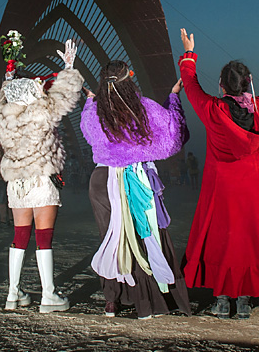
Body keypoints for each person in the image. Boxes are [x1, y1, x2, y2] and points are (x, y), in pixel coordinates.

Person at [179, 28, 259, 319]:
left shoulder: (212, 109)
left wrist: (189, 54)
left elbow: (190, 85)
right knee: (247, 238)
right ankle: (243, 300)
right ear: (248, 84)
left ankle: (221, 299)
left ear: (221, 85)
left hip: (221, 186)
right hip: (253, 185)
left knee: (221, 238)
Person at [82, 60, 191, 319]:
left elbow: (89, 134)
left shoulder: (96, 110)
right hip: (134, 178)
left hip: (101, 180)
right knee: (144, 236)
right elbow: (172, 138)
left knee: (111, 238)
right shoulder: (143, 107)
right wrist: (174, 98)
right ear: (129, 80)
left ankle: (112, 300)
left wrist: (90, 101)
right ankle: (148, 301)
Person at [0, 34, 83, 313]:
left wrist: (9, 74)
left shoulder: (0, 116)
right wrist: (68, 67)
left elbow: (5, 93)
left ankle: (13, 294)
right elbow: (64, 97)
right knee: (44, 237)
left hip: (16, 181)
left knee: (20, 235)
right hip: (42, 177)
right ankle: (48, 295)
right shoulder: (41, 113)